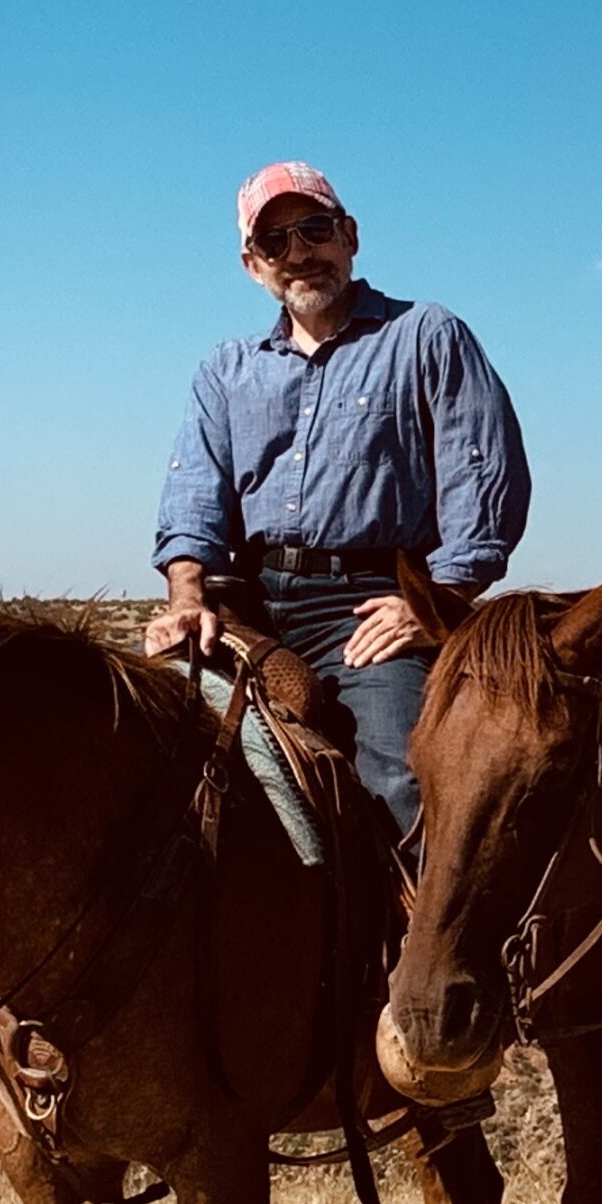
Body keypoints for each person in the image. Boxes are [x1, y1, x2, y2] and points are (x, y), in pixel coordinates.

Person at [146, 160, 531, 836]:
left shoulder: (425, 336)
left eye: (314, 229)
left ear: (349, 235)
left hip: (372, 606)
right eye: (275, 242)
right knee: (134, 756)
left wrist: (435, 602)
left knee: (402, 780)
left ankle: (420, 939)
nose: (299, 254)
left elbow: (484, 480)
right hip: (247, 602)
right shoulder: (226, 370)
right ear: (252, 265)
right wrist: (186, 596)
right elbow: (193, 494)